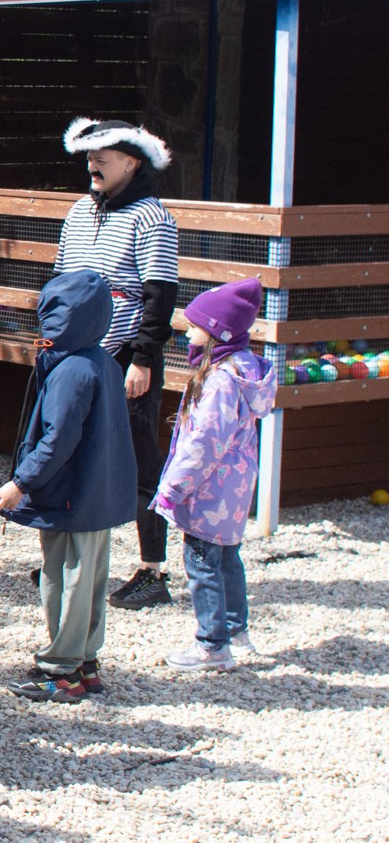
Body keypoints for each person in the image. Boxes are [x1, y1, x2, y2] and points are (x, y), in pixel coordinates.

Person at [0, 271, 139, 704]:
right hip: (97, 494)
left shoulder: (70, 370)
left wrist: (21, 483)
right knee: (90, 579)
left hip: (71, 496)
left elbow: (57, 440)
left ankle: (61, 671)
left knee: (64, 581)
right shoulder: (103, 361)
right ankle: (86, 662)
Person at [55, 118, 181, 610]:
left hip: (127, 356)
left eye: (103, 156)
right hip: (78, 354)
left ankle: (153, 572)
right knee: (74, 449)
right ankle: (73, 556)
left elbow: (160, 293)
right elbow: (62, 282)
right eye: (89, 156)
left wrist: (144, 360)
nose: (92, 164)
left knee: (139, 460)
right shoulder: (78, 211)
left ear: (131, 161)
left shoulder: (152, 217)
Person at [153, 279, 277, 672]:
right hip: (234, 490)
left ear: (217, 332)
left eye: (194, 325)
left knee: (202, 563)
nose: (186, 331)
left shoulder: (221, 379)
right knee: (227, 560)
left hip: (210, 492)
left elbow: (205, 442)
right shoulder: (243, 369)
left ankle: (212, 645)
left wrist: (173, 487)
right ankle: (236, 631)